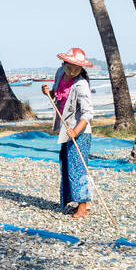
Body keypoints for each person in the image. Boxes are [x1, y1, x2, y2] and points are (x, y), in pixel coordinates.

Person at [41, 47, 94, 219]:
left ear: (81, 70)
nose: (71, 72)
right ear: (63, 64)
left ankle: (83, 207)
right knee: (68, 165)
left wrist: (76, 131)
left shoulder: (81, 84)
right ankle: (75, 202)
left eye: (76, 69)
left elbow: (88, 114)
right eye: (69, 67)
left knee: (79, 167)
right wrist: (47, 93)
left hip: (80, 131)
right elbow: (58, 96)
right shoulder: (59, 73)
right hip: (65, 129)